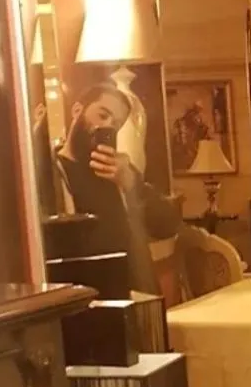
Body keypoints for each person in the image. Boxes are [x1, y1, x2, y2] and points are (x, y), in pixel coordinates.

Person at [55, 82, 180, 296]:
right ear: (77, 110)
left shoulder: (122, 171)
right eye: (103, 115)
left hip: (132, 296)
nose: (108, 126)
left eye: (116, 124)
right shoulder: (52, 173)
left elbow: (167, 224)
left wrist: (131, 183)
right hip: (84, 300)